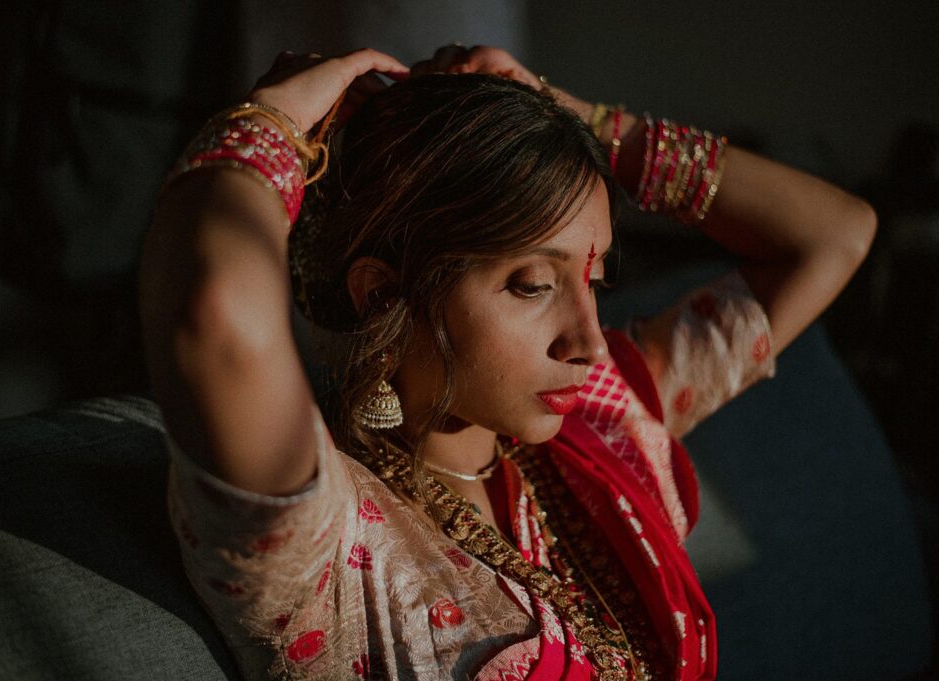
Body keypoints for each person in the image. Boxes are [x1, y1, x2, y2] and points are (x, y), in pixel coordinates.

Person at [139, 45, 876, 680]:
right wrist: (270, 123)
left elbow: (837, 234)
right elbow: (216, 316)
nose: (587, 340)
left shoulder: (606, 420)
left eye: (593, 282)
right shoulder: (329, 547)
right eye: (532, 285)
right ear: (381, 293)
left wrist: (581, 122)